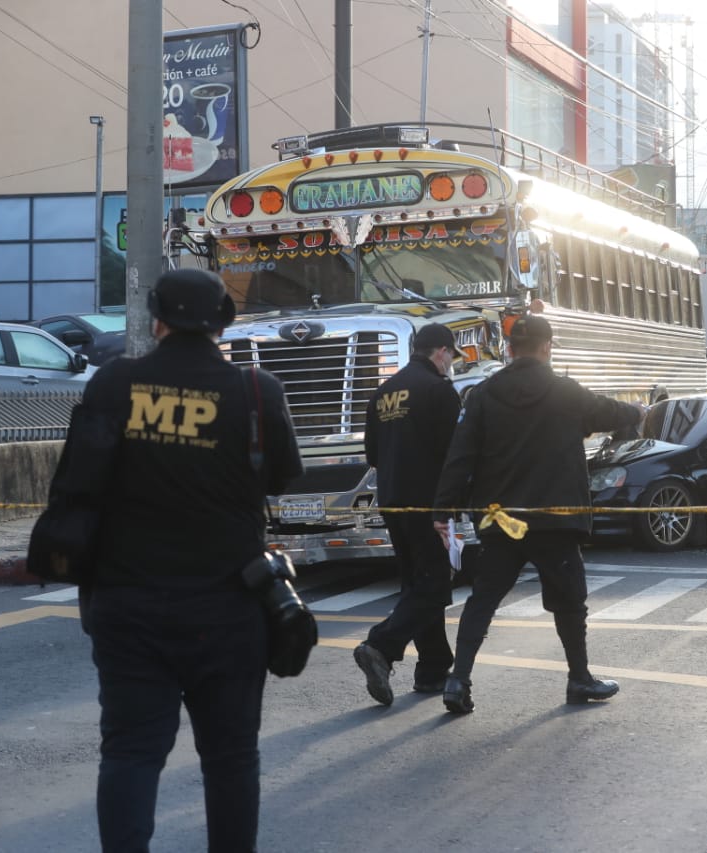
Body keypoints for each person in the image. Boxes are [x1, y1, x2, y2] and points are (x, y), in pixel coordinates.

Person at [65, 269, 302, 853]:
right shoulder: (256, 391)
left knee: (130, 751)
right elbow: (282, 477)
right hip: (230, 607)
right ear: (225, 321)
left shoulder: (116, 383)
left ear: (155, 319)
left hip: (129, 603)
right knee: (231, 757)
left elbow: (78, 479)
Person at [432, 315, 643, 714]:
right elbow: (609, 412)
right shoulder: (566, 392)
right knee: (569, 603)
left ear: (509, 349)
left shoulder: (483, 394)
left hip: (501, 520)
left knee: (483, 601)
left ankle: (458, 680)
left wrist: (443, 510)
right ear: (548, 347)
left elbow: (460, 457)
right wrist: (636, 411)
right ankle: (579, 679)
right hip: (555, 519)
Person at [352, 323, 463, 706]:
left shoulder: (382, 392)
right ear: (441, 352)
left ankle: (432, 669)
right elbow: (455, 456)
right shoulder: (439, 392)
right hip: (428, 503)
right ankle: (380, 646)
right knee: (433, 587)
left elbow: (372, 456)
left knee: (418, 584)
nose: (451, 364)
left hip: (393, 500)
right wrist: (450, 507)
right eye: (451, 356)